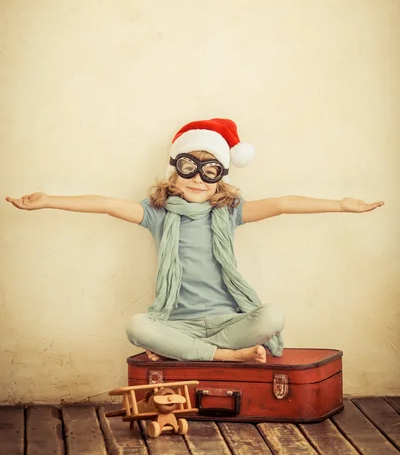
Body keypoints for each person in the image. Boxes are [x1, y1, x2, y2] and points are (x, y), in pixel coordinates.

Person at [5, 118, 384, 364]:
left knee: (273, 316)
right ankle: (226, 358)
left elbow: (283, 204)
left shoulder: (229, 212)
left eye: (209, 172)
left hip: (228, 322)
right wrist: (48, 200)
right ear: (173, 175)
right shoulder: (157, 214)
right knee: (138, 325)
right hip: (177, 323)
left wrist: (341, 205)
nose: (198, 179)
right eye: (188, 168)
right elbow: (105, 205)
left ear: (220, 179)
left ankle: (194, 354)